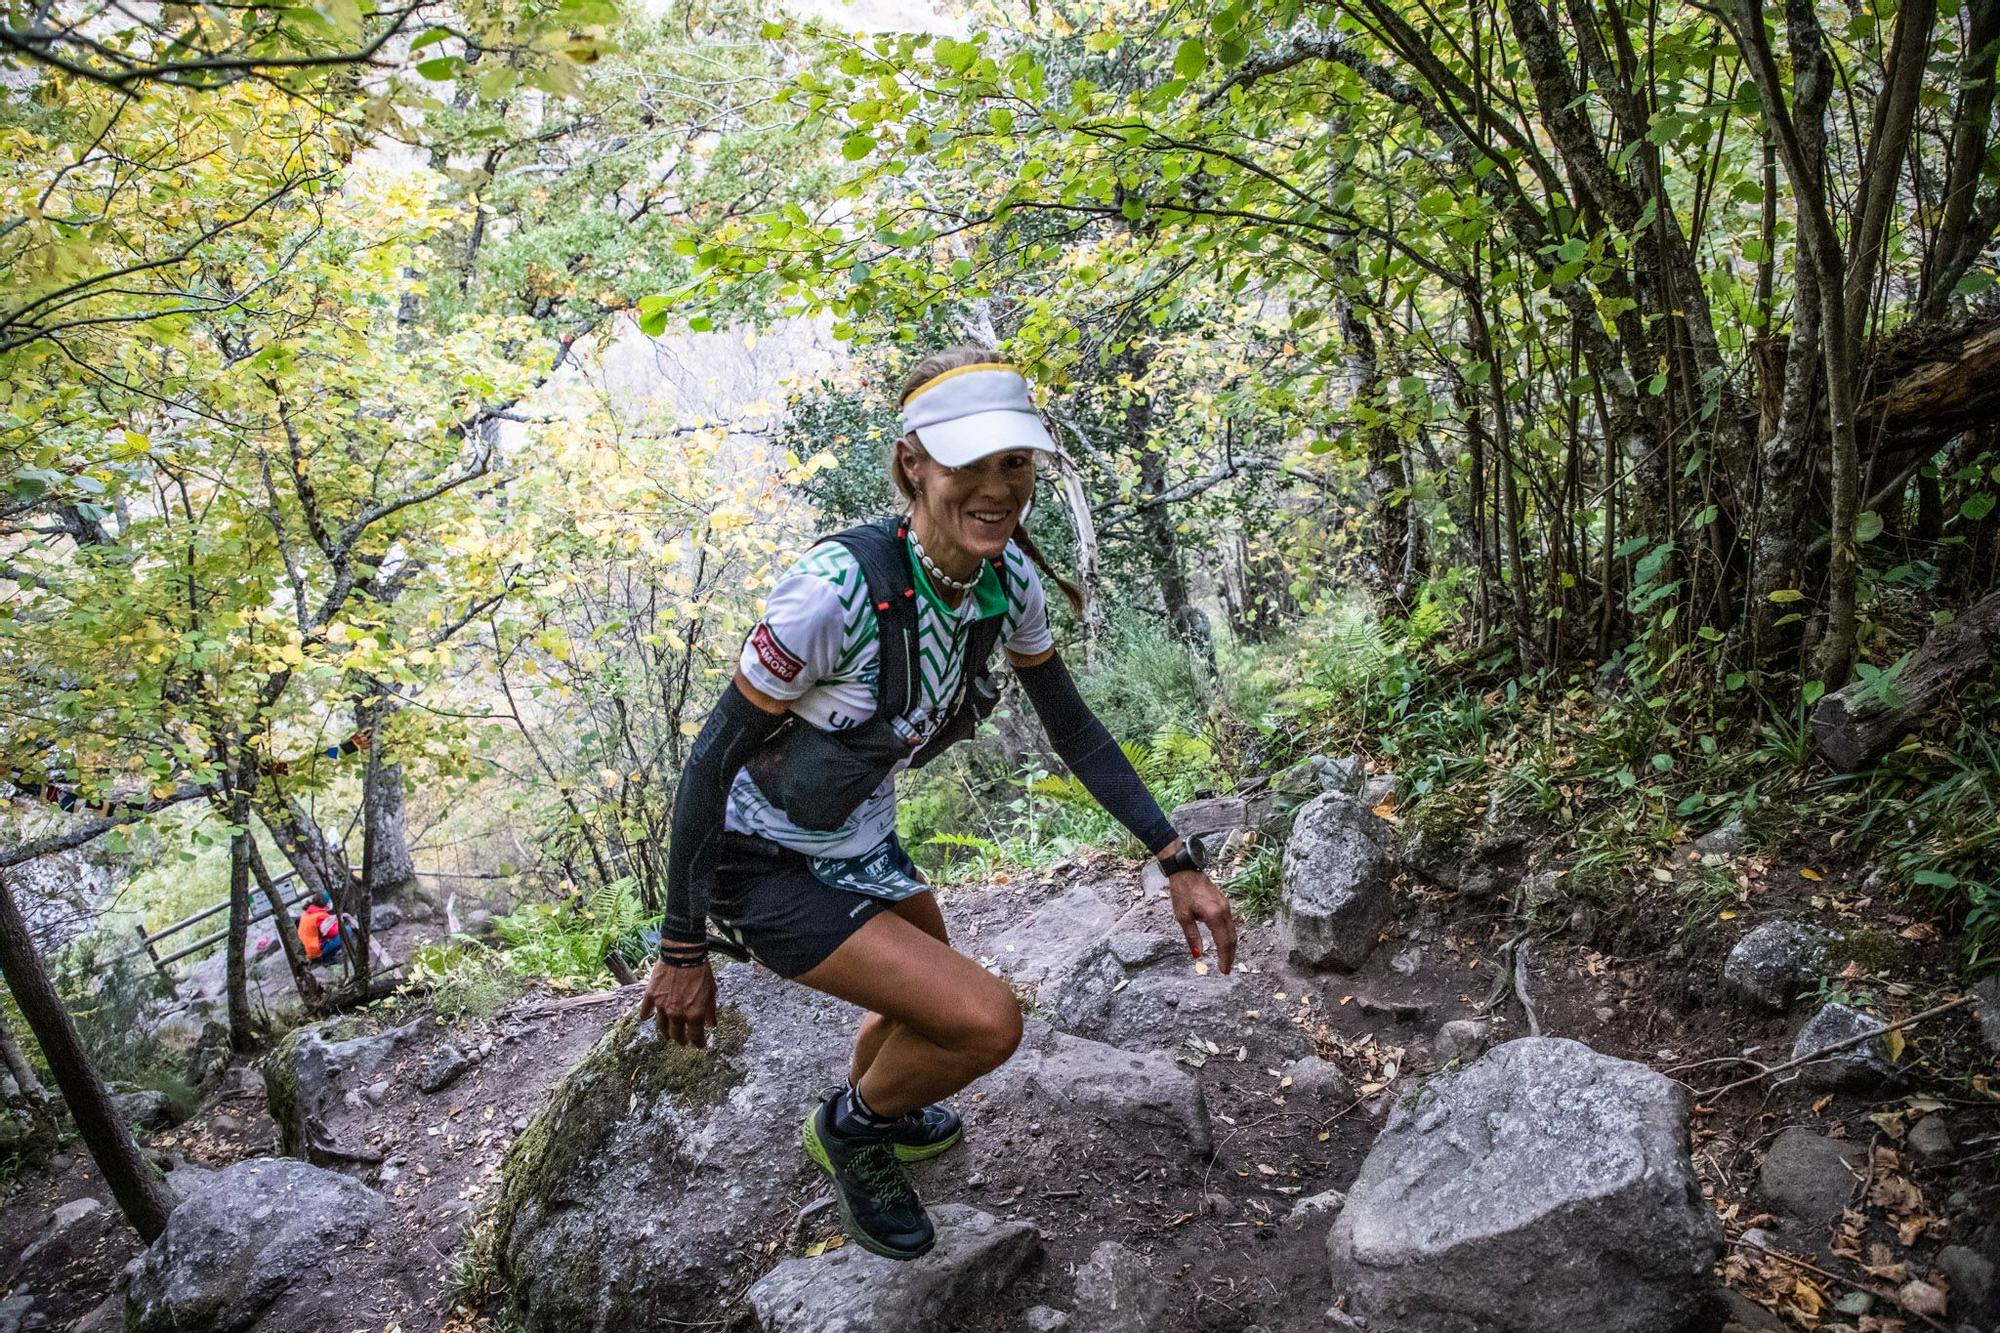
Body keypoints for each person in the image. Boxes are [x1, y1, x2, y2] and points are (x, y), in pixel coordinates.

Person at [639, 346, 1237, 1261]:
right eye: (971, 463)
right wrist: (682, 944)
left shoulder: (1007, 584)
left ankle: (877, 1111)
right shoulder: (831, 590)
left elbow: (1074, 729)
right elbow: (710, 759)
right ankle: (851, 1130)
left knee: (929, 992)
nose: (999, 489)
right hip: (758, 865)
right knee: (986, 1020)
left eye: (1016, 464)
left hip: (859, 843)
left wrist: (1178, 860)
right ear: (914, 462)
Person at [298, 892, 342, 966]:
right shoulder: (320, 916)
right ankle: (327, 959)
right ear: (326, 903)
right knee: (347, 930)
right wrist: (339, 922)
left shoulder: (307, 913)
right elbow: (333, 933)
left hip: (308, 949)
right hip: (314, 950)